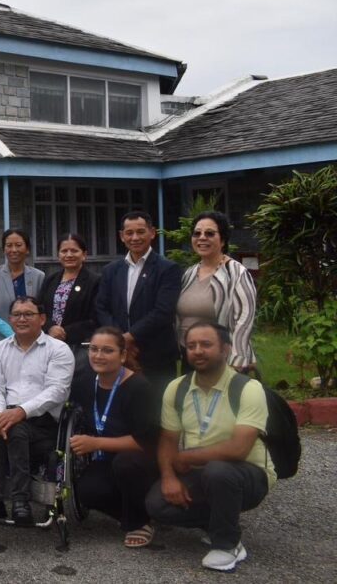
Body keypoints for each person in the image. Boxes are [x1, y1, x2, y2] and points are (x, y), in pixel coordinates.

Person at [146, 322, 275, 572]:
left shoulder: (248, 388)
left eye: (206, 344)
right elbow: (168, 440)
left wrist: (187, 456)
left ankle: (227, 544)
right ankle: (219, 522)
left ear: (225, 349)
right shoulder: (178, 388)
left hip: (247, 473)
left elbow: (239, 449)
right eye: (191, 345)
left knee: (218, 471)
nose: (197, 351)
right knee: (157, 505)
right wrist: (169, 476)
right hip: (202, 470)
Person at [0, 296, 73, 526]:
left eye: (28, 314)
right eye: (17, 314)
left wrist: (20, 412)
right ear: (10, 319)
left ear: (42, 318)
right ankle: (16, 503)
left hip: (45, 425)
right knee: (6, 428)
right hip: (7, 419)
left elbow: (57, 391)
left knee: (12, 428)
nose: (22, 319)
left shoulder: (59, 350)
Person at [68, 327, 159, 547]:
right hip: (105, 458)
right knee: (87, 491)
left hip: (140, 459)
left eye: (107, 350)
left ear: (123, 355)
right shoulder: (86, 382)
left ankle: (140, 521)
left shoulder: (139, 387)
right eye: (94, 349)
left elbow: (143, 442)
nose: (98, 356)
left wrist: (95, 443)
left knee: (125, 463)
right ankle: (133, 512)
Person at [95, 211, 182, 393]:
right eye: (129, 233)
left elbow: (163, 312)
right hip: (118, 354)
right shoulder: (111, 270)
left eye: (141, 232)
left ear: (152, 233)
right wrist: (118, 339)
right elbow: (101, 307)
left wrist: (129, 337)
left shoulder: (168, 269)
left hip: (155, 355)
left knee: (156, 411)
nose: (135, 237)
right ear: (121, 236)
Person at [177, 211, 258, 371]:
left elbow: (244, 318)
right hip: (191, 356)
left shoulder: (236, 272)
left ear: (223, 240)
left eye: (209, 233)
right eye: (197, 233)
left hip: (222, 359)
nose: (202, 238)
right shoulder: (189, 273)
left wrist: (237, 358)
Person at [37, 233, 100, 371]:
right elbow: (39, 310)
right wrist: (50, 327)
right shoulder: (50, 280)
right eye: (64, 251)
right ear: (59, 255)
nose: (69, 254)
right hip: (49, 344)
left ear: (84, 254)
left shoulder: (94, 281)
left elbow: (95, 317)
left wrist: (64, 332)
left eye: (74, 250)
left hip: (78, 347)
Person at [0, 229, 45, 349]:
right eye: (9, 246)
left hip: (32, 342)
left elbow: (42, 310)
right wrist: (12, 333)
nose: (14, 250)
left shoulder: (39, 276)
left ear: (27, 249)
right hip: (0, 342)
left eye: (18, 245)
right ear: (4, 249)